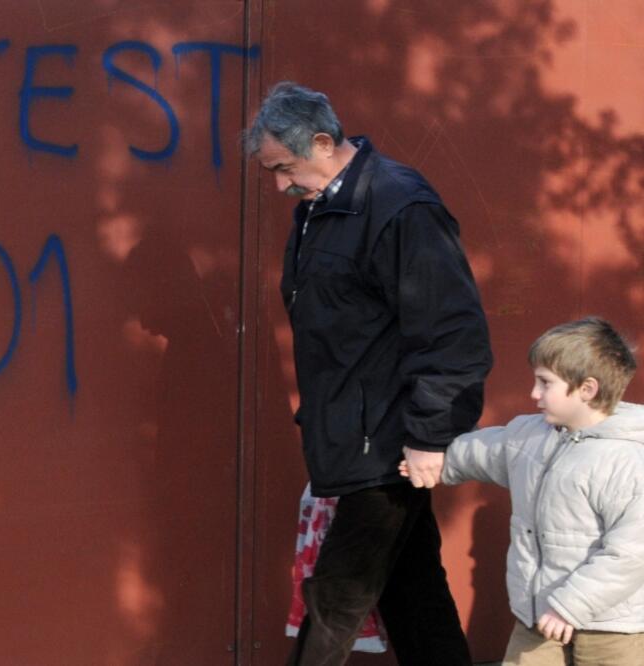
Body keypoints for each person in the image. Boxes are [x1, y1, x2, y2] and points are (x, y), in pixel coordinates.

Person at [245, 82, 492, 665]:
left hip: (388, 441)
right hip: (355, 434)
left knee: (335, 596)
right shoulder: (320, 208)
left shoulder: (400, 205)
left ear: (324, 143)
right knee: (413, 592)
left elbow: (452, 329)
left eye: (284, 168)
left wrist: (431, 434)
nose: (280, 186)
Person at [402, 317, 644, 665]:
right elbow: (484, 450)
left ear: (587, 389)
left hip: (612, 628)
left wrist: (569, 607)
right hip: (538, 616)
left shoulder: (627, 461)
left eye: (546, 383)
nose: (534, 393)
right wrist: (435, 461)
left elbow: (631, 554)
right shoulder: (530, 436)